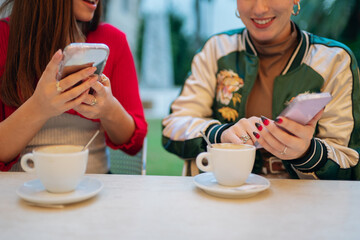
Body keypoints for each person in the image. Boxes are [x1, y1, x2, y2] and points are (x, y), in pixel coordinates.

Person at [162, 0, 360, 179]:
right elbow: (173, 127)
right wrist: (219, 134)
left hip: (305, 207)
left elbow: (350, 162)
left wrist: (307, 153)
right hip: (223, 199)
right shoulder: (216, 50)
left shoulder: (335, 61)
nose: (259, 8)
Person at [0, 0, 147, 173]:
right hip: (17, 192)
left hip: (96, 187)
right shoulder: (4, 37)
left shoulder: (114, 40)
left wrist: (109, 110)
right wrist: (39, 107)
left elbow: (134, 144)